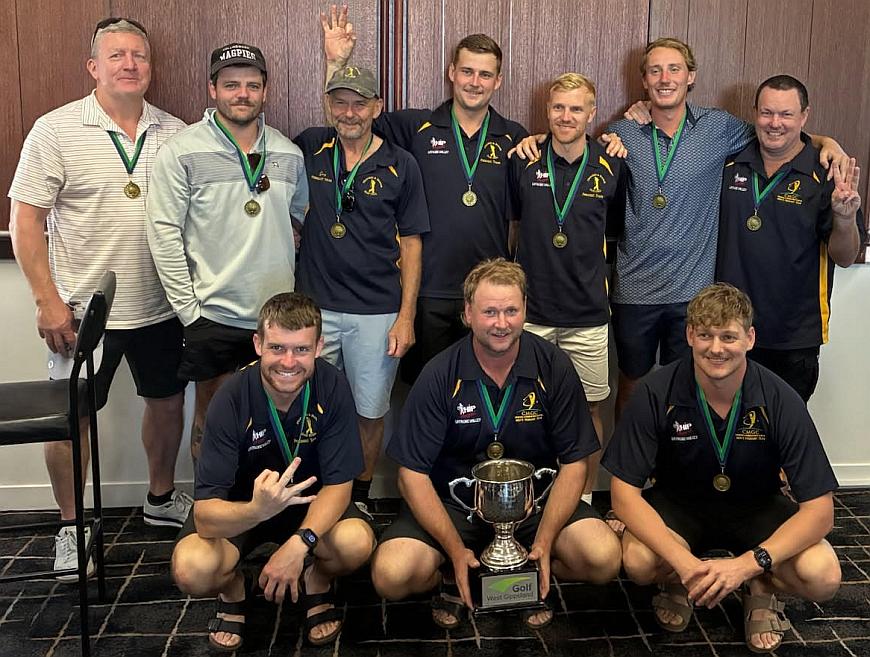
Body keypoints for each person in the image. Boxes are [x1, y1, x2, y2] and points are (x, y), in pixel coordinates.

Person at [512, 38, 847, 419]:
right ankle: (631, 470)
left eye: (674, 69)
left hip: (693, 290)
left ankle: (673, 470)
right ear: (644, 81)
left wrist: (825, 141)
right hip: (634, 289)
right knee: (632, 384)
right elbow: (571, 144)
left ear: (691, 77)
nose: (665, 78)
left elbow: (775, 131)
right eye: (655, 70)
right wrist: (538, 139)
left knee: (686, 388)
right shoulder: (621, 134)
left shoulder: (719, 128)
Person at [8, 17, 190, 579]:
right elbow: (25, 221)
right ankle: (72, 527)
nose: (129, 64)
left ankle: (159, 498)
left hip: (163, 304)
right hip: (83, 312)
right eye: (116, 55)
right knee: (71, 418)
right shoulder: (54, 129)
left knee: (166, 404)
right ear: (94, 66)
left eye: (139, 55)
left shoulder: (177, 132)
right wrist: (47, 301)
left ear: (150, 67)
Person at [372, 259, 622, 630]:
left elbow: (575, 462)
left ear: (524, 310)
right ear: (468, 314)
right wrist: (454, 551)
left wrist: (546, 539)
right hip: (454, 506)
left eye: (510, 311)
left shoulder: (553, 365)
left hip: (534, 504)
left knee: (602, 559)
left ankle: (528, 569)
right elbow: (412, 475)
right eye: (490, 312)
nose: (501, 323)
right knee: (392, 574)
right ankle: (455, 573)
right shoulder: (440, 373)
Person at [602, 283, 841, 653]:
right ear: (689, 336)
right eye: (705, 336)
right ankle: (680, 583)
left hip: (757, 509)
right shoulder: (654, 391)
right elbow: (623, 494)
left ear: (749, 338)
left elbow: (820, 512)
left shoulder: (780, 398)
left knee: (823, 575)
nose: (716, 348)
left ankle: (760, 587)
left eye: (728, 336)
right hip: (679, 508)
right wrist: (684, 565)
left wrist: (748, 565)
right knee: (637, 562)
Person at [321, 6, 527, 381]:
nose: (474, 82)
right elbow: (350, 118)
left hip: (490, 297)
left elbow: (522, 216)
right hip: (428, 292)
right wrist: (338, 62)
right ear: (452, 73)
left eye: (485, 74)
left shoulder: (515, 137)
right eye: (467, 71)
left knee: (484, 392)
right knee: (428, 393)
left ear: (498, 81)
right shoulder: (415, 126)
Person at [170, 292, 375, 650]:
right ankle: (234, 587)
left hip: (310, 509)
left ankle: (317, 580)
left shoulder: (332, 386)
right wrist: (256, 510)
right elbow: (205, 516)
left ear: (319, 347)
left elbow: (340, 485)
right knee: (191, 569)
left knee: (356, 543)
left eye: (301, 350)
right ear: (257, 344)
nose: (289, 362)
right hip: (243, 511)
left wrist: (300, 545)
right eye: (277, 348)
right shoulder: (230, 398)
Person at [146, 43, 308, 464]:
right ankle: (209, 512)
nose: (242, 93)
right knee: (212, 421)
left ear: (265, 91)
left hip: (276, 318)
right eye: (231, 84)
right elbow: (163, 232)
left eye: (252, 85)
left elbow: (302, 220)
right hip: (212, 314)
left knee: (276, 419)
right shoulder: (182, 151)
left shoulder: (288, 154)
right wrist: (189, 311)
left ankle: (265, 510)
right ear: (212, 89)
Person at [294, 64, 429, 514]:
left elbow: (411, 243)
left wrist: (406, 316)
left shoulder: (401, 163)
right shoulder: (309, 147)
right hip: (313, 310)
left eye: (359, 103)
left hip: (377, 311)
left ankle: (358, 499)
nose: (349, 112)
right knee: (308, 407)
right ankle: (307, 496)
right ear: (327, 104)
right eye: (340, 102)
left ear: (377, 107)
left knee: (369, 412)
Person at [510, 72, 626, 506]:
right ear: (547, 110)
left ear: (592, 114)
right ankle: (527, 497)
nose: (566, 116)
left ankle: (583, 501)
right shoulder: (522, 160)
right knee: (525, 410)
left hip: (588, 313)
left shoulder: (613, 164)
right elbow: (512, 227)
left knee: (589, 410)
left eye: (576, 108)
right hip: (531, 313)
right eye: (558, 107)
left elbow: (614, 234)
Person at [717, 75, 863, 402]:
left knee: (783, 436)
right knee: (726, 433)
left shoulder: (827, 172)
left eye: (786, 114)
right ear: (754, 113)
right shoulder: (727, 162)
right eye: (767, 113)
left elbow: (845, 255)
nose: (775, 123)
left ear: (804, 117)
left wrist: (844, 218)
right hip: (729, 328)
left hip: (793, 336)